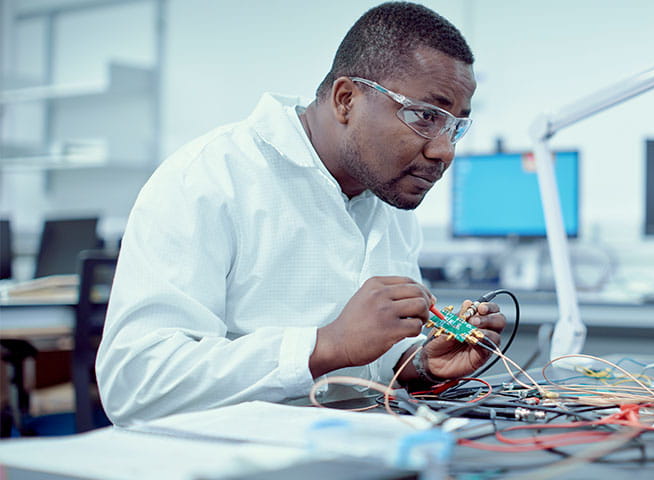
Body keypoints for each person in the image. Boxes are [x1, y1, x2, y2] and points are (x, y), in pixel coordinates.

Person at [96, 1, 506, 426]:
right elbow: (134, 384)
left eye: (455, 126)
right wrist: (323, 345)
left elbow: (364, 366)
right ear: (346, 99)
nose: (445, 151)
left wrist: (418, 365)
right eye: (425, 116)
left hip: (352, 451)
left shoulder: (389, 197)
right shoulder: (207, 178)